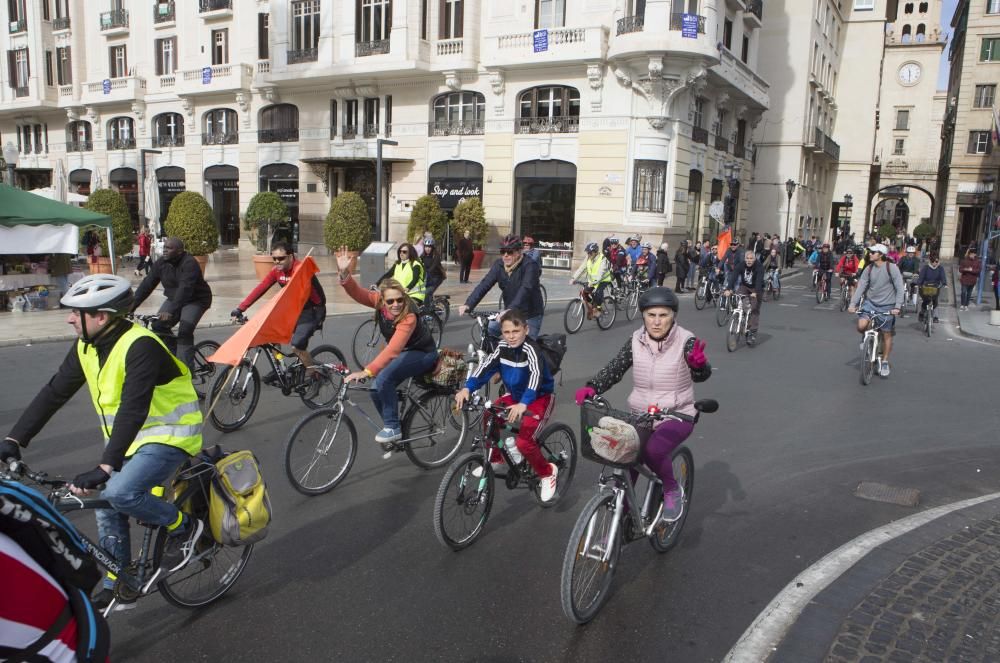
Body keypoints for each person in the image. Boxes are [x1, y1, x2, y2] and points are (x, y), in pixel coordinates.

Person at [1, 274, 205, 609]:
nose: (69, 318)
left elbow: (133, 407)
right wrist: (14, 439)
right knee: (102, 504)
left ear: (102, 316)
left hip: (170, 435)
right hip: (128, 441)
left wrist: (106, 465)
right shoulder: (88, 345)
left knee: (119, 492)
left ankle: (184, 527)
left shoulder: (142, 345)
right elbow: (55, 392)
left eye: (76, 312)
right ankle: (120, 581)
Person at [574, 288, 711, 522]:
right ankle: (624, 516)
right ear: (643, 316)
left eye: (663, 315)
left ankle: (671, 488)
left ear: (673, 316)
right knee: (625, 457)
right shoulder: (636, 340)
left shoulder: (686, 341)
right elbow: (616, 367)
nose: (656, 322)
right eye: (651, 315)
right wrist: (593, 386)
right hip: (642, 415)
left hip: (677, 415)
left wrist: (699, 366)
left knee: (653, 451)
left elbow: (701, 374)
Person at [454, 309, 559, 501]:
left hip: (539, 398)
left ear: (526, 330)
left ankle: (547, 473)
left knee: (524, 442)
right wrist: (467, 388)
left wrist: (523, 404)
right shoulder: (502, 346)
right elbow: (486, 367)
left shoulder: (531, 349)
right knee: (489, 415)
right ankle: (495, 460)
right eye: (506, 332)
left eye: (516, 331)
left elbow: (535, 377)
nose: (511, 337)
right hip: (516, 396)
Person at [337, 254, 438, 447]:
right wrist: (344, 273)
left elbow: (393, 350)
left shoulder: (409, 316)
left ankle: (393, 427)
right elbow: (358, 293)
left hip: (423, 353)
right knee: (376, 389)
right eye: (390, 301)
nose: (396, 305)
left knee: (383, 378)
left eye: (400, 300)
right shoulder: (379, 302)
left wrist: (366, 371)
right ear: (382, 300)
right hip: (405, 353)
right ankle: (392, 425)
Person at [232, 241, 326, 375]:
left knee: (297, 345)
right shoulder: (276, 272)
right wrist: (241, 308)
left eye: (281, 258)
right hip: (294, 309)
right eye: (274, 259)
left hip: (312, 310)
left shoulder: (300, 269)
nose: (277, 262)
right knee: (271, 335)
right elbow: (261, 288)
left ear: (291, 256)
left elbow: (304, 294)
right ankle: (280, 367)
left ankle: (314, 375)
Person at [131, 237, 213, 371]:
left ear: (180, 251)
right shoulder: (161, 263)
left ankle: (187, 372)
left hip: (196, 300)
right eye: (164, 248)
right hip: (174, 299)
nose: (164, 251)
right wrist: (131, 306)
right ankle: (176, 356)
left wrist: (171, 311)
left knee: (184, 331)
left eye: (169, 248)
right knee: (158, 326)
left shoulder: (189, 263)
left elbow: (185, 289)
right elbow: (147, 284)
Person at [459, 234, 545, 339]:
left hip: (530, 314)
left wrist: (509, 309)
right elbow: (485, 284)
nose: (505, 255)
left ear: (518, 252)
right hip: (510, 311)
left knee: (525, 347)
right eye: (503, 252)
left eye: (509, 252)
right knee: (488, 332)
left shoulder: (530, 266)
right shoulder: (499, 265)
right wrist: (469, 304)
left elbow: (525, 289)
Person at [848, 244, 905, 377]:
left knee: (886, 334)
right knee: (861, 326)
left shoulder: (892, 268)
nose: (870, 254)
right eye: (870, 251)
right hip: (870, 304)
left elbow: (900, 288)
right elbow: (861, 287)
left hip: (887, 306)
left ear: (881, 254)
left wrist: (897, 306)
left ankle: (884, 361)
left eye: (873, 252)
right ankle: (866, 338)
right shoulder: (868, 268)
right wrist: (853, 304)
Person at [724, 250, 764, 344]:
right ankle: (738, 316)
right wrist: (728, 288)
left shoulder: (759, 267)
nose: (749, 260)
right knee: (738, 297)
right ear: (745, 259)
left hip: (756, 289)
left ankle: (752, 333)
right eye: (747, 258)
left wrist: (756, 293)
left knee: (754, 309)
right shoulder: (741, 265)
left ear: (754, 259)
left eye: (751, 258)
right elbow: (733, 276)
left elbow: (759, 281)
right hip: (745, 286)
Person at [570, 242, 613, 319]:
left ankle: (598, 310)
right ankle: (593, 307)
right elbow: (582, 268)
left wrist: (593, 283)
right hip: (592, 281)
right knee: (585, 293)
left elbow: (600, 273)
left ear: (595, 252)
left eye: (590, 253)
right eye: (587, 253)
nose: (588, 254)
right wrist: (574, 278)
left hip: (603, 280)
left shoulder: (603, 259)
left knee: (598, 292)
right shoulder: (588, 258)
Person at [915, 254, 947, 323]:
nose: (934, 263)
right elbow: (921, 277)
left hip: (935, 287)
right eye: (933, 261)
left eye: (936, 261)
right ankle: (922, 313)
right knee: (926, 301)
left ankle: (935, 317)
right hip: (925, 287)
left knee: (935, 301)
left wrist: (944, 283)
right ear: (930, 261)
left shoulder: (940, 268)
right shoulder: (925, 268)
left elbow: (943, 276)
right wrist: (919, 284)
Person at [419, 238, 447, 302]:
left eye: (429, 247)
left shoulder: (436, 256)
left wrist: (426, 273)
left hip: (437, 277)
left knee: (427, 292)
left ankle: (429, 309)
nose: (427, 249)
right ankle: (429, 304)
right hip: (428, 277)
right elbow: (418, 264)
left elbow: (432, 267)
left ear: (432, 247)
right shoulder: (423, 255)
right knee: (421, 292)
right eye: (426, 247)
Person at [958, 246, 982, 311]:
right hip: (964, 279)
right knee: (963, 292)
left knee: (969, 293)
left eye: (973, 254)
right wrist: (966, 269)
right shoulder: (964, 260)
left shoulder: (978, 262)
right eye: (970, 254)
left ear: (975, 254)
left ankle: (966, 305)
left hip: (972, 280)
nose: (972, 255)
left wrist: (971, 270)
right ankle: (962, 304)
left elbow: (978, 270)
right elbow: (960, 269)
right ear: (969, 254)